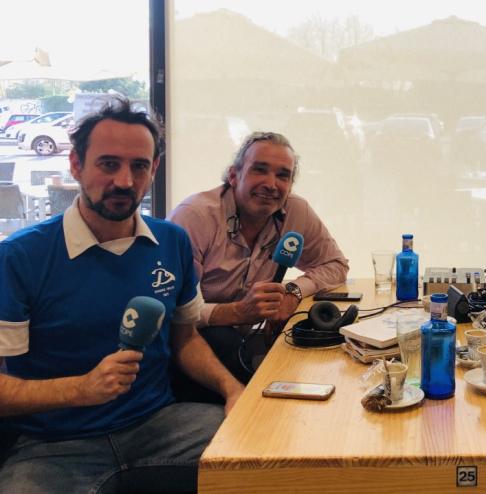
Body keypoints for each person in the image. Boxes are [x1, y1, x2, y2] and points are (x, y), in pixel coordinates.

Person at [0, 98, 244, 492]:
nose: (125, 182)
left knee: (275, 458)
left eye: (139, 166)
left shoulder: (172, 241)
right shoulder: (20, 257)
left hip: (161, 426)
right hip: (52, 446)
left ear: (154, 169)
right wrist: (80, 388)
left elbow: (185, 338)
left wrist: (233, 390)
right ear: (76, 164)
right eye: (108, 164)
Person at [168, 131, 349, 387]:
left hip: (245, 342)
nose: (271, 184)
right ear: (234, 175)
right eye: (260, 170)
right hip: (190, 348)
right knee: (223, 339)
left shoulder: (296, 211)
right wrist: (235, 312)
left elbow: (336, 265)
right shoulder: (194, 217)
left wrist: (293, 291)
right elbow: (173, 310)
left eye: (283, 175)